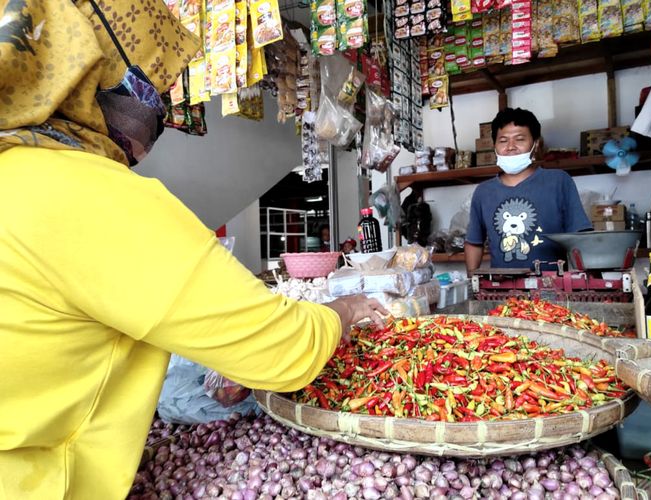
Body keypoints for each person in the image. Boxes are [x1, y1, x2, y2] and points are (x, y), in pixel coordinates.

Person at [0, 1, 386, 498]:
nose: (157, 110)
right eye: (147, 88)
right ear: (85, 75)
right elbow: (283, 353)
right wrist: (346, 308)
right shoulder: (89, 195)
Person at [465, 108, 592, 272]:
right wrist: (472, 283)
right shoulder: (483, 191)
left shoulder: (559, 181)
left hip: (552, 289)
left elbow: (580, 236)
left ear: (536, 143)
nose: (510, 147)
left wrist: (586, 281)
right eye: (503, 141)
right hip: (501, 290)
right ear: (494, 146)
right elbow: (474, 242)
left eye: (519, 139)